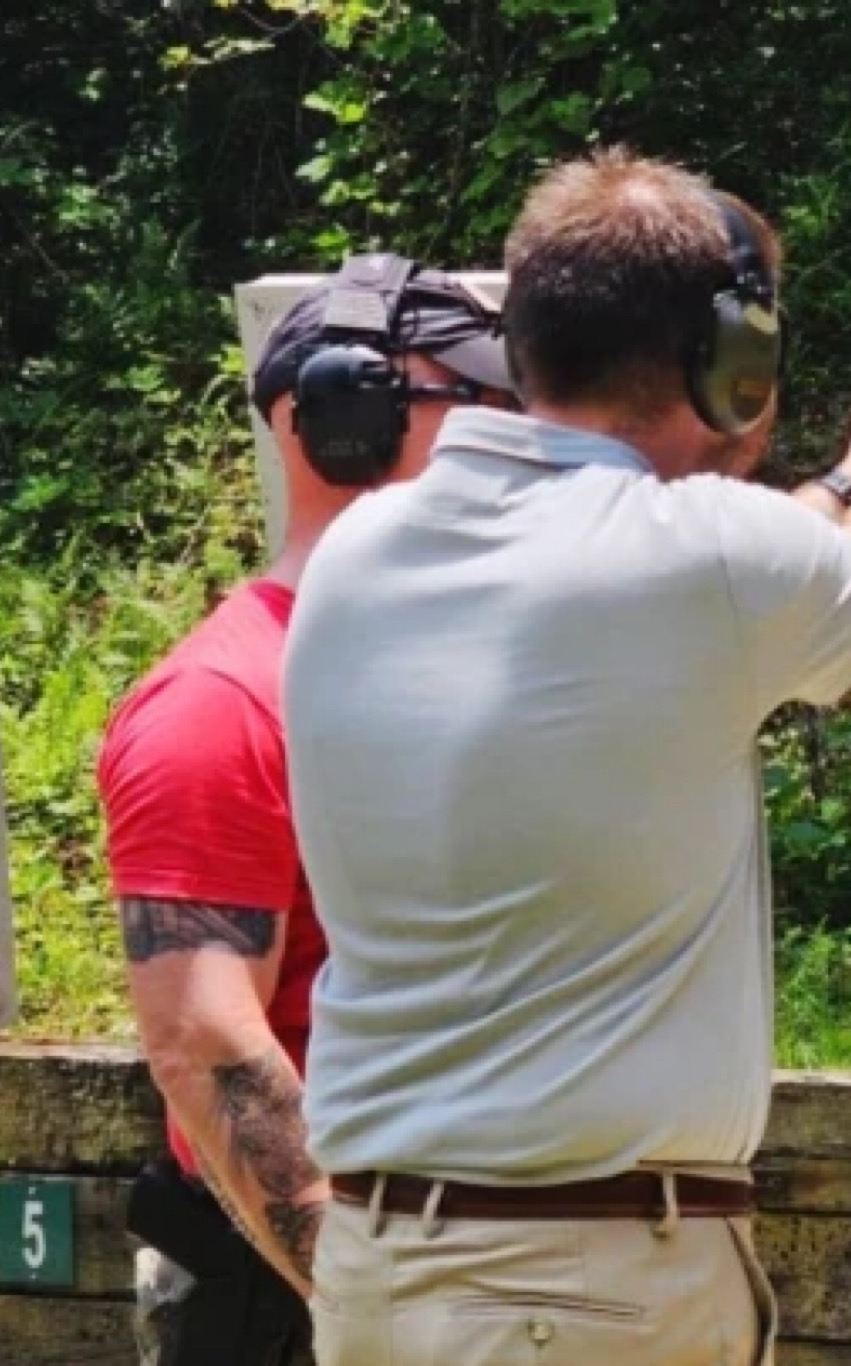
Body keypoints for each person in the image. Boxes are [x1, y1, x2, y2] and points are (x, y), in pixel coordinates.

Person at [277, 147, 851, 1366]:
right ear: (735, 363)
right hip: (575, 1288)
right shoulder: (699, 561)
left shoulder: (369, 546)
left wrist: (836, 475)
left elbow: (691, 565)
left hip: (386, 1268)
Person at [94, 258, 519, 1366]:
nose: (516, 439)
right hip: (314, 1293)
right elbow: (207, 1042)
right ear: (338, 420)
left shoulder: (469, 670)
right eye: (479, 406)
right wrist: (378, 1315)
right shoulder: (220, 701)